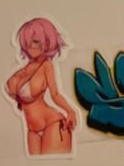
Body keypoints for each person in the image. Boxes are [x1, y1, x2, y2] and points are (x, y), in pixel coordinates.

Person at [5, 17, 77, 155]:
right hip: (32, 130)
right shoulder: (25, 68)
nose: (31, 46)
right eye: (27, 41)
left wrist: (70, 111)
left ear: (47, 42)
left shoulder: (46, 66)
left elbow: (55, 95)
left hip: (53, 124)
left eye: (36, 41)